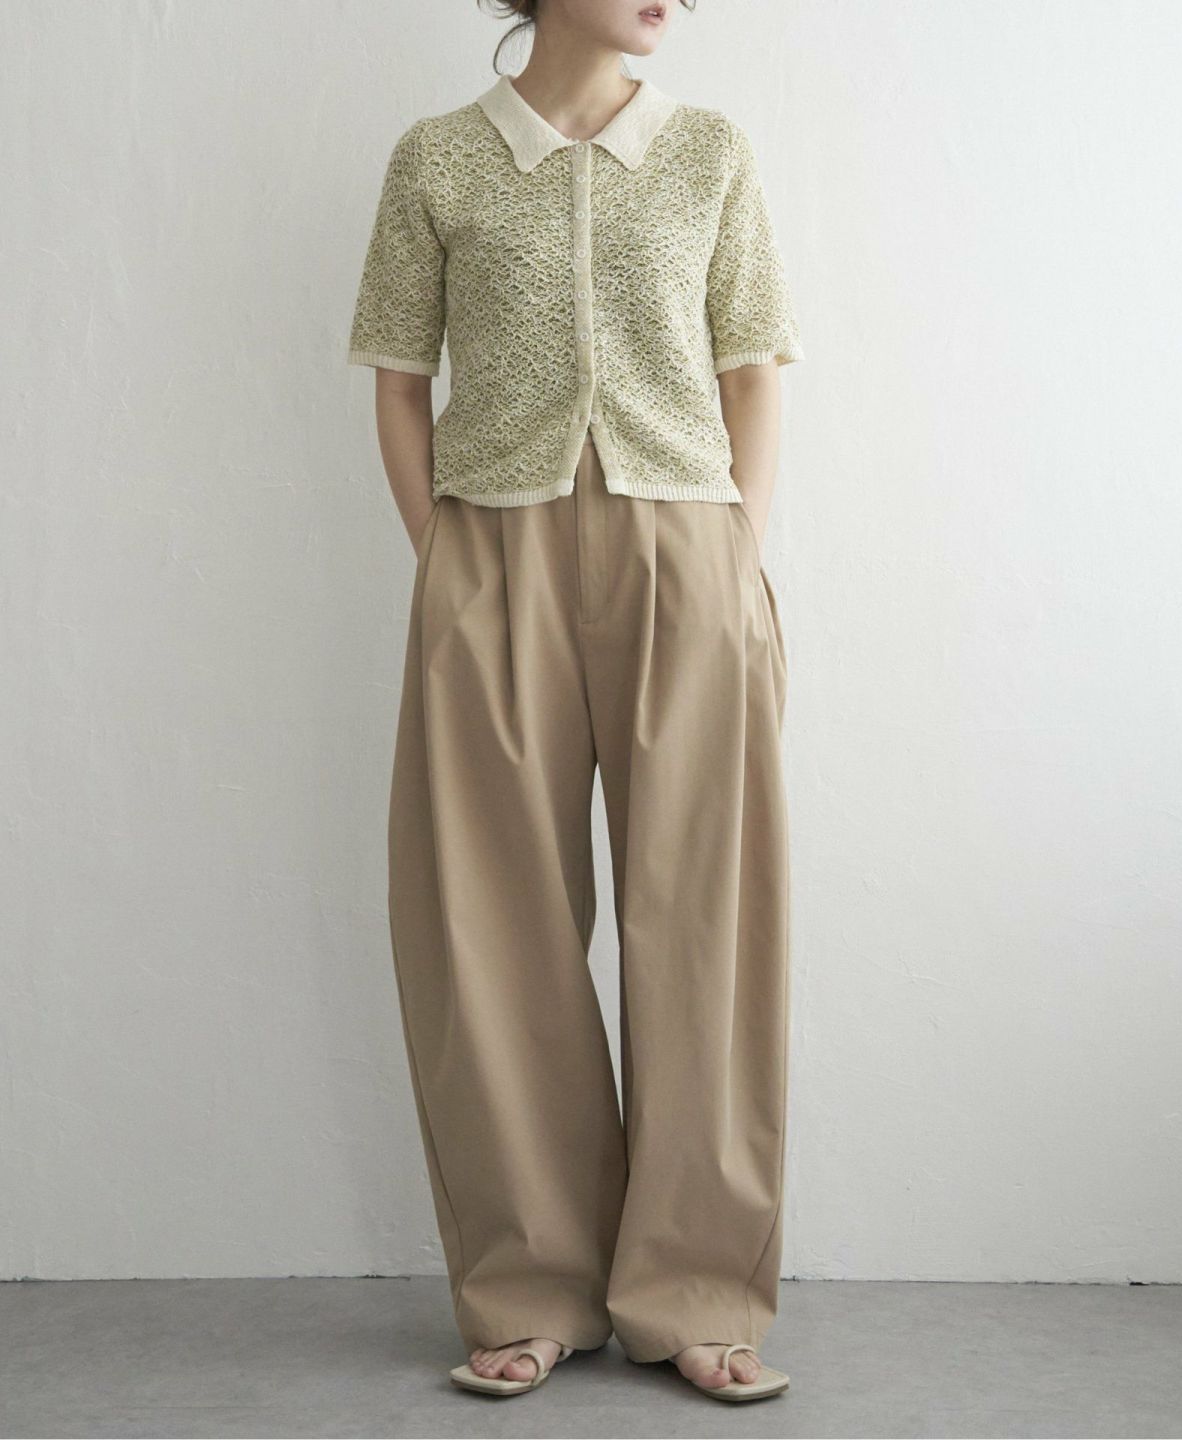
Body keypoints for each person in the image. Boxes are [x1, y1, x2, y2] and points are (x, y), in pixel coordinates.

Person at [346, 0, 803, 1403]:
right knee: (492, 928)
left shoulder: (710, 152)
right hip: (493, 555)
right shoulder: (438, 159)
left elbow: (752, 371)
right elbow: (399, 381)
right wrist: (448, 563)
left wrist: (733, 559)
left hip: (688, 555)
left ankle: (699, 1288)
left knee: (704, 922)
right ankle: (533, 1285)